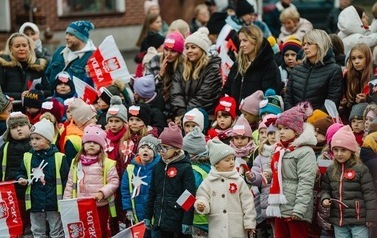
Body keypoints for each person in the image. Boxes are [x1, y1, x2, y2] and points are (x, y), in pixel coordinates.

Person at [266, 102, 317, 238]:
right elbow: (272, 170)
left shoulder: (305, 152)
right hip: (279, 206)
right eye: (279, 128)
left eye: (286, 128)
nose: (281, 132)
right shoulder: (279, 150)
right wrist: (266, 174)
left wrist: (299, 209)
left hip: (295, 208)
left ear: (297, 130)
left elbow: (306, 182)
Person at [63, 124, 119, 238]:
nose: (91, 145)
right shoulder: (76, 162)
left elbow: (113, 182)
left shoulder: (106, 163)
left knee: (100, 231)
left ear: (101, 146)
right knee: (84, 232)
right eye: (88, 142)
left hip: (99, 205)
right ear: (83, 145)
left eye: (95, 143)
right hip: (80, 205)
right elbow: (70, 183)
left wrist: (102, 193)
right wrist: (67, 202)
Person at [16, 118, 69, 238]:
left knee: (56, 231)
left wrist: (66, 198)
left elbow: (66, 179)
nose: (33, 142)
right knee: (37, 230)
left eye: (38, 138)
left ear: (48, 140)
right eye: (32, 139)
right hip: (35, 201)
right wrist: (21, 179)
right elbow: (21, 172)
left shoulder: (59, 157)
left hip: (54, 201)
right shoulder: (28, 156)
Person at [321, 125, 377, 237]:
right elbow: (325, 189)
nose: (339, 153)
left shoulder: (361, 169)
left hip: (359, 220)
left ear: (351, 150)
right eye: (335, 150)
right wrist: (325, 199)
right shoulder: (331, 169)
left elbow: (369, 194)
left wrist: (371, 218)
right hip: (339, 220)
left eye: (343, 150)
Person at [194, 138, 257, 237]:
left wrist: (249, 223)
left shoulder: (238, 180)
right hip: (217, 227)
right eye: (227, 160)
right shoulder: (208, 182)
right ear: (216, 164)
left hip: (237, 228)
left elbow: (248, 203)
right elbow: (202, 196)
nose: (232, 162)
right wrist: (202, 204)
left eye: (233, 159)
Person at [144, 122, 196, 237]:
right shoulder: (158, 166)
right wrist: (147, 215)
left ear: (177, 148)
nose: (162, 151)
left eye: (166, 148)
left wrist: (187, 221)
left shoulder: (185, 167)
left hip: (177, 222)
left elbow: (188, 196)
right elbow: (152, 192)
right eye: (160, 147)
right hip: (159, 220)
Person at [171, 27, 222, 122]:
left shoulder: (212, 68)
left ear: (203, 50)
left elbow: (205, 96)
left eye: (193, 47)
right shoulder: (181, 67)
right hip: (182, 116)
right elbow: (176, 93)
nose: (189, 50)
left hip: (203, 116)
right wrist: (181, 112)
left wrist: (186, 115)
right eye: (187, 48)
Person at [284, 29, 343, 111]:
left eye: (309, 43)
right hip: (295, 119)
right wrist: (293, 116)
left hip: (320, 121)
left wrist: (313, 119)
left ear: (320, 44)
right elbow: (288, 98)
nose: (305, 47)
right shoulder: (296, 70)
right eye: (304, 44)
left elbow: (332, 101)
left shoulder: (334, 70)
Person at [223, 25, 281, 106]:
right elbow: (227, 89)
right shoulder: (238, 64)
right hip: (234, 116)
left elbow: (269, 98)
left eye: (245, 40)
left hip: (256, 116)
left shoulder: (269, 66)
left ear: (255, 41)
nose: (241, 45)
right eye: (240, 41)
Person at [121, 135, 160, 237]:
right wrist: (128, 208)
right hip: (137, 212)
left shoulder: (159, 168)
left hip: (155, 213)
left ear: (155, 152)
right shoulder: (131, 169)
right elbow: (125, 190)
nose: (145, 150)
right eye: (142, 147)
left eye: (149, 148)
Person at [0, 112, 32, 234]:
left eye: (22, 125)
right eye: (14, 127)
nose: (18, 129)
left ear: (29, 126)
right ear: (8, 131)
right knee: (17, 218)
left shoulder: (37, 144)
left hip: (35, 189)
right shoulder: (5, 148)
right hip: (13, 191)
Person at [0, 33, 50, 109]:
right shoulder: (3, 67)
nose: (21, 48)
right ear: (11, 48)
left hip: (34, 114)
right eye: (17, 46)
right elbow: (1, 93)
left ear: (29, 47)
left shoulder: (38, 67)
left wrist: (36, 94)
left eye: (24, 45)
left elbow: (48, 91)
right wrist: (20, 95)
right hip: (11, 113)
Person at [145, 31, 185, 121]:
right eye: (166, 49)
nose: (168, 54)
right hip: (157, 110)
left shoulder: (184, 65)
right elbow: (146, 89)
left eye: (173, 51)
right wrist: (160, 76)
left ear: (179, 52)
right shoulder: (155, 60)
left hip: (177, 111)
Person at [45, 20, 95, 87]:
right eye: (67, 34)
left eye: (71, 35)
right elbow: (47, 74)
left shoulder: (91, 57)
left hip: (75, 97)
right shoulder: (60, 51)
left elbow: (90, 86)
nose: (66, 37)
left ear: (81, 37)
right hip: (51, 96)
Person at [182, 126, 211, 237]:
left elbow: (188, 194)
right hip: (210, 219)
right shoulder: (210, 166)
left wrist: (177, 209)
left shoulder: (193, 171)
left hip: (197, 220)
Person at [340, 43, 373, 124]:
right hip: (352, 120)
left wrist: (366, 99)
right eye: (353, 58)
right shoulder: (348, 75)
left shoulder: (374, 75)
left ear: (368, 58)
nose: (356, 62)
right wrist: (344, 103)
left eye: (360, 57)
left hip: (370, 120)